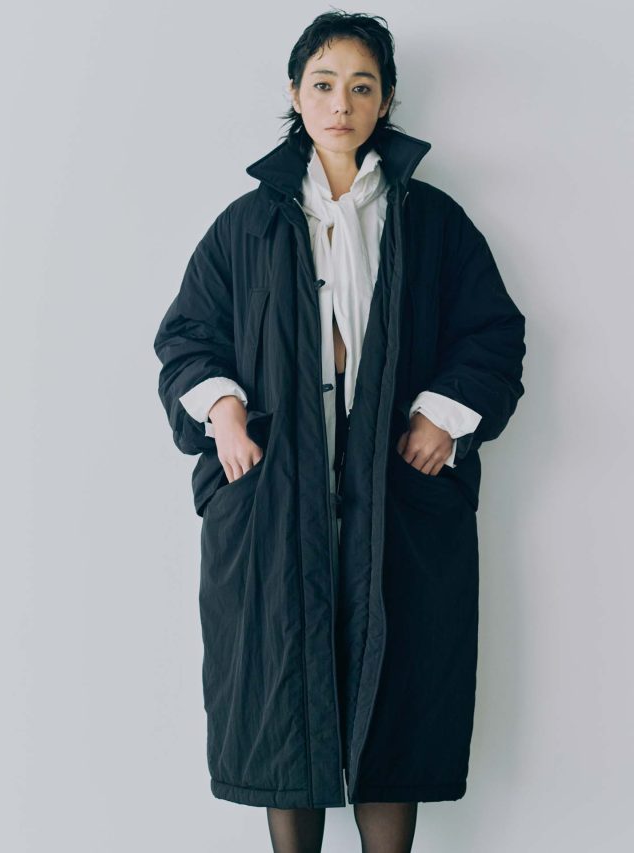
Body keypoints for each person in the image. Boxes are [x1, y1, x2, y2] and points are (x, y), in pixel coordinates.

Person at [154, 11, 526, 853]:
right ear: (295, 94)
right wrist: (222, 411)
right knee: (285, 705)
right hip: (275, 508)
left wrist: (443, 414)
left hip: (396, 508)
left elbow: (492, 333)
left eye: (362, 86)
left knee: (396, 703)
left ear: (385, 100)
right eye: (323, 84)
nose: (341, 103)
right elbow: (187, 337)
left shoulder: (430, 221)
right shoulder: (246, 226)